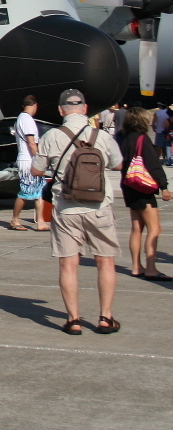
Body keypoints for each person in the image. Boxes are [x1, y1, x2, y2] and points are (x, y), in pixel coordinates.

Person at [32, 88, 124, 335]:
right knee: (105, 262)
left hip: (66, 208)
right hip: (99, 206)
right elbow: (118, 163)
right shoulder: (101, 135)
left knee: (68, 265)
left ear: (61, 110)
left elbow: (36, 170)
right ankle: (105, 317)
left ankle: (73, 320)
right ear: (85, 108)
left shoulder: (52, 136)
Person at [117, 107, 172, 280]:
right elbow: (153, 165)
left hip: (128, 185)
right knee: (154, 228)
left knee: (136, 228)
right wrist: (164, 187)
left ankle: (136, 266)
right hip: (143, 188)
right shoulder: (143, 139)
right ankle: (150, 267)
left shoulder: (123, 139)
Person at [9, 95, 48, 231]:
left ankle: (41, 221)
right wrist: (39, 160)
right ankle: (15, 219)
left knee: (39, 191)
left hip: (27, 158)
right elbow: (31, 143)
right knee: (26, 191)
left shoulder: (21, 118)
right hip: (28, 160)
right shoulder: (27, 120)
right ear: (35, 105)